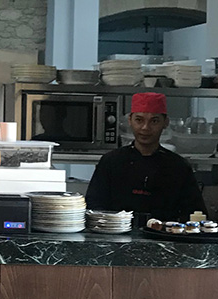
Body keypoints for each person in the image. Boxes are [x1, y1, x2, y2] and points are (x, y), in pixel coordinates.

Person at [85, 91, 205, 221]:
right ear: (130, 120)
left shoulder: (179, 167)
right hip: (116, 232)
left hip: (164, 233)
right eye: (139, 120)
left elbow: (195, 213)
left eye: (154, 121)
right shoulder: (111, 161)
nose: (145, 128)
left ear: (165, 123)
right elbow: (94, 206)